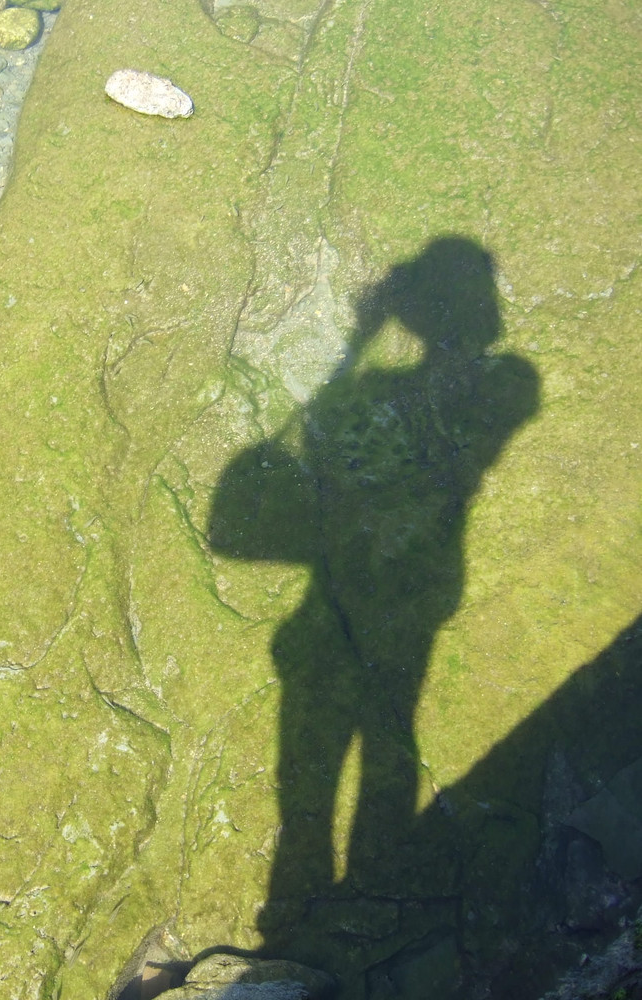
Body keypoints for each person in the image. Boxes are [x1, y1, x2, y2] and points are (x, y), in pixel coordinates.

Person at [207, 237, 540, 936]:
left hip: (391, 579)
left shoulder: (446, 388)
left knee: (356, 734)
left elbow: (328, 439)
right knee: (383, 725)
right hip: (409, 580)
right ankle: (359, 895)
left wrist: (360, 340)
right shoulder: (495, 383)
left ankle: (324, 902)